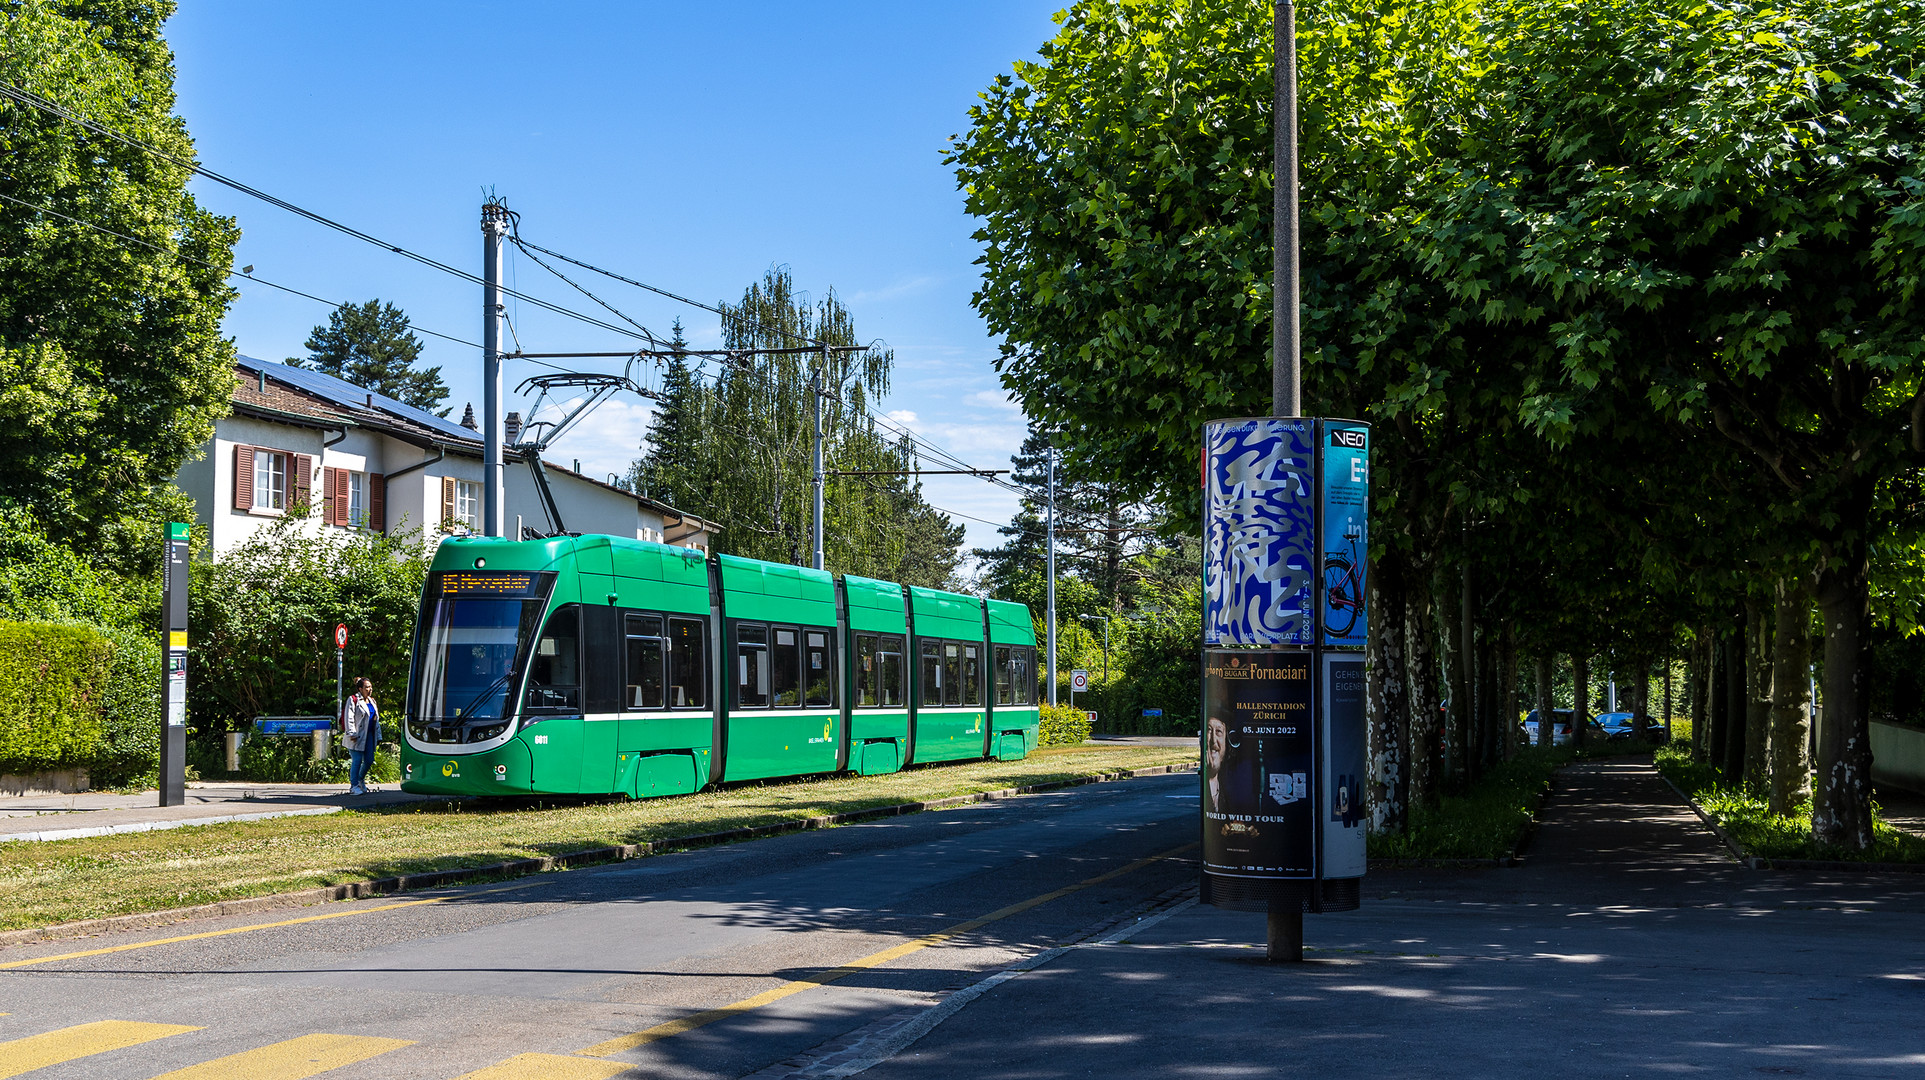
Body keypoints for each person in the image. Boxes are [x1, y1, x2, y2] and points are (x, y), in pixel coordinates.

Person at [340, 677, 381, 795]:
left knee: (369, 760)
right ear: (360, 689)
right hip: (356, 736)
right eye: (367, 687)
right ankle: (353, 786)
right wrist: (351, 733)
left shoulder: (372, 701)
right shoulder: (353, 700)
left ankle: (360, 779)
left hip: (369, 736)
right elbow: (349, 718)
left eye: (370, 687)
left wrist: (378, 736)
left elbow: (376, 720)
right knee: (357, 760)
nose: (370, 689)